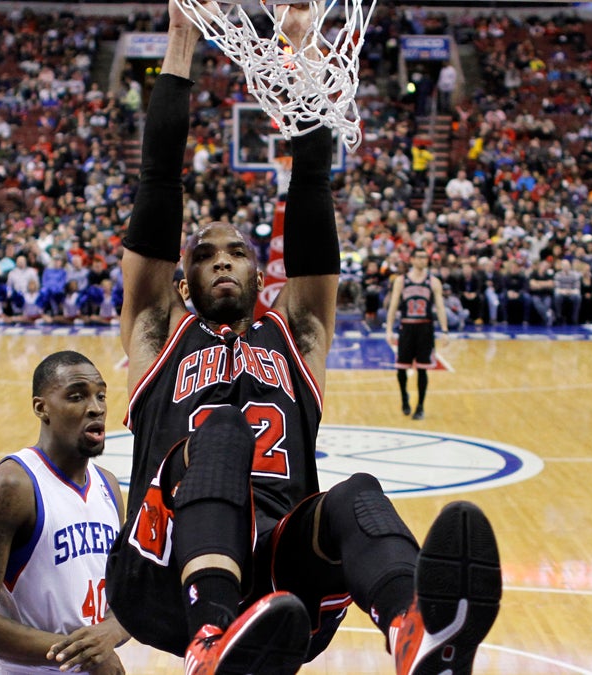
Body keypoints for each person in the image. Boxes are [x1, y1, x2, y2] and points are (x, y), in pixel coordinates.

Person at [104, 5, 501, 675]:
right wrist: (179, 39)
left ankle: (415, 632)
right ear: (180, 280)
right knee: (222, 432)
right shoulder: (156, 331)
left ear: (264, 274)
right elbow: (159, 182)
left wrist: (302, 53)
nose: (223, 260)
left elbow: (311, 183)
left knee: (356, 493)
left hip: (281, 581)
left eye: (238, 252)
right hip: (163, 574)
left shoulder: (298, 331)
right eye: (206, 254)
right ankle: (209, 637)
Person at [0, 351, 129, 674]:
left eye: (100, 395)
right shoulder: (10, 487)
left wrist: (109, 634)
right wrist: (86, 652)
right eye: (76, 396)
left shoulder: (108, 487)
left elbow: (127, 596)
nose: (96, 407)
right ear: (40, 407)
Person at [385, 248, 449, 420]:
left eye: (425, 257)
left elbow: (440, 307)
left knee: (422, 370)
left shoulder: (433, 282)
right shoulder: (401, 280)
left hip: (425, 328)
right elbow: (393, 306)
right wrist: (389, 329)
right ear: (412, 259)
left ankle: (420, 406)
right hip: (406, 327)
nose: (423, 260)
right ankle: (404, 397)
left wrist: (444, 330)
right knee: (401, 369)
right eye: (419, 257)